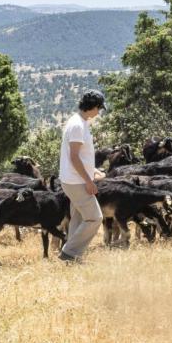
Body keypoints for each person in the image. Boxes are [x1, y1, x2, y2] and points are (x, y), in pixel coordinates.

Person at [57, 89, 107, 262]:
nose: (99, 112)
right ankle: (69, 253)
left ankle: (73, 258)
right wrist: (88, 180)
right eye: (99, 108)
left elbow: (79, 156)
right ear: (92, 107)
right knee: (95, 218)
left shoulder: (78, 122)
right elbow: (74, 156)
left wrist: (93, 170)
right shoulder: (78, 125)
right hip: (77, 182)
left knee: (78, 218)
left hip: (72, 179)